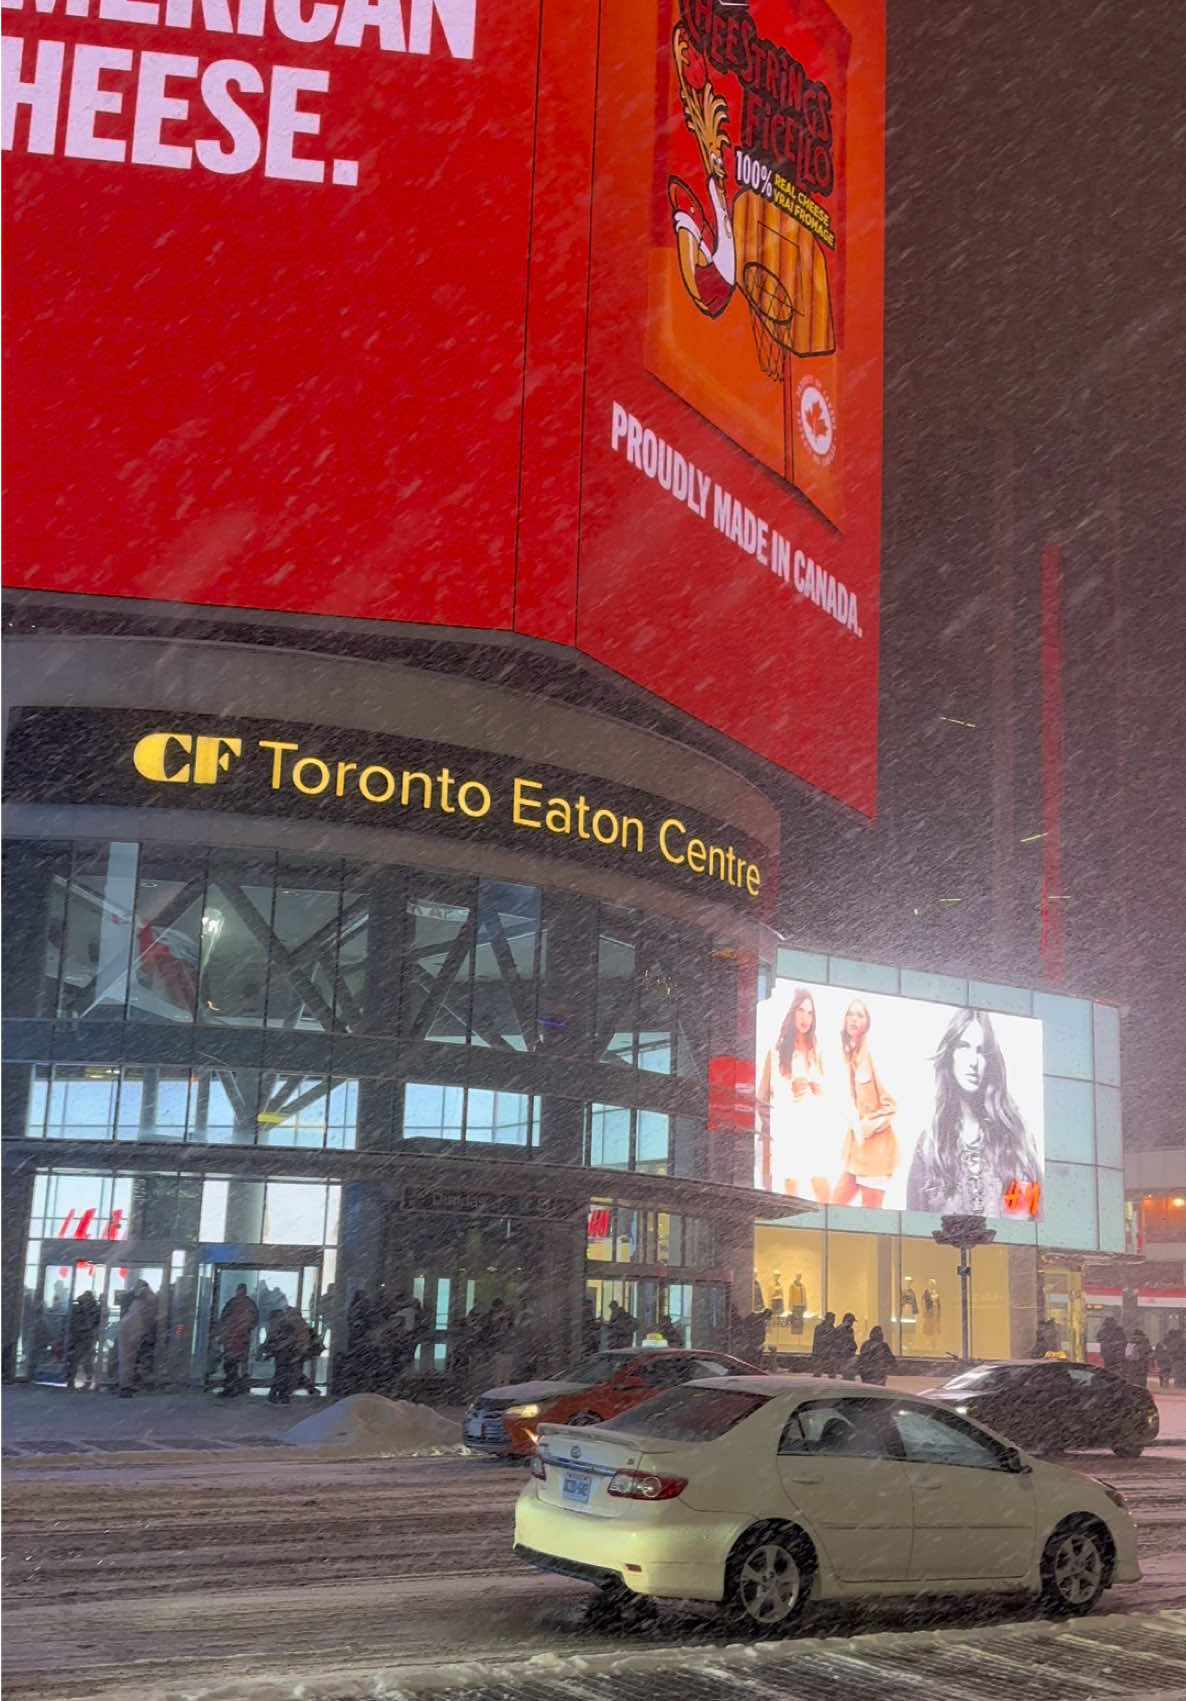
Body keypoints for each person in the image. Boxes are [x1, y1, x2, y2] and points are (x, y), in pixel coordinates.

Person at [906, 1008, 1040, 1216]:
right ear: (949, 1055)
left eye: (981, 1051)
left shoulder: (1017, 1141)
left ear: (991, 1060)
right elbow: (914, 1226)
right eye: (963, 1047)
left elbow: (1024, 1223)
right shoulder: (930, 1145)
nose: (973, 1062)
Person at [758, 988, 834, 1202]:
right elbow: (763, 1097)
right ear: (792, 1012)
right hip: (788, 1129)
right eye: (801, 1010)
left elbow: (832, 1094)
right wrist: (789, 1091)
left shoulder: (819, 1051)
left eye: (810, 1013)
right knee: (791, 1190)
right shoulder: (776, 1052)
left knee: (822, 1186)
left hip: (815, 1129)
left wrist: (817, 1089)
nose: (805, 1017)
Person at [834, 1000, 899, 1209]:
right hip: (856, 1152)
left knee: (870, 1217)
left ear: (867, 1023)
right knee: (833, 1207)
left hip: (876, 1153)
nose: (854, 1019)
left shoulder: (873, 1054)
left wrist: (865, 1127)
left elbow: (891, 1106)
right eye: (850, 1014)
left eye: (860, 1015)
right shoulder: (850, 1054)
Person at [215, 1282, 259, 1398]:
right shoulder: (249, 1304)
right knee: (241, 1363)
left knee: (230, 1363)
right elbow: (254, 1321)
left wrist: (223, 1334)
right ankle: (241, 1385)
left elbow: (224, 1319)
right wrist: (246, 1329)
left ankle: (232, 1386)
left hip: (233, 1338)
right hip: (242, 1338)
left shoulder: (232, 1303)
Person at [261, 1305, 309, 1404]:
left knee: (281, 1375)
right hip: (287, 1355)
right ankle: (281, 1395)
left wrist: (269, 1351)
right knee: (283, 1375)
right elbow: (277, 1341)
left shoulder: (283, 1327)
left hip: (285, 1355)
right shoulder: (284, 1326)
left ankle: (278, 1395)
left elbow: (274, 1341)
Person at [116, 1281, 156, 1398]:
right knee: (129, 1360)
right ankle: (126, 1386)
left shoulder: (138, 1299)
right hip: (135, 1329)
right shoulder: (149, 1298)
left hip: (128, 1328)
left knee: (126, 1359)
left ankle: (126, 1385)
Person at [65, 1290, 101, 1390]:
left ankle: (88, 1381)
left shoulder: (94, 1309)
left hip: (87, 1337)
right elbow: (73, 1321)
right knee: (76, 1359)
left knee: (85, 1360)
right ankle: (71, 1381)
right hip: (79, 1337)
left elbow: (93, 1323)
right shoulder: (78, 1308)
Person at [811, 1311, 836, 1375]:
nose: (834, 1321)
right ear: (828, 1319)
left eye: (834, 1319)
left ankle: (831, 1375)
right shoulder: (819, 1328)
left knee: (831, 1370)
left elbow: (833, 1340)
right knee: (818, 1370)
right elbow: (817, 1340)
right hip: (820, 1351)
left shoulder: (833, 1329)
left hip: (829, 1352)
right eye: (833, 1319)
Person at [833, 1312, 858, 1376]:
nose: (851, 1323)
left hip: (847, 1356)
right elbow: (838, 1344)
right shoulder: (840, 1329)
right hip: (841, 1357)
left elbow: (851, 1341)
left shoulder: (850, 1330)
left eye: (852, 1322)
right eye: (850, 1321)